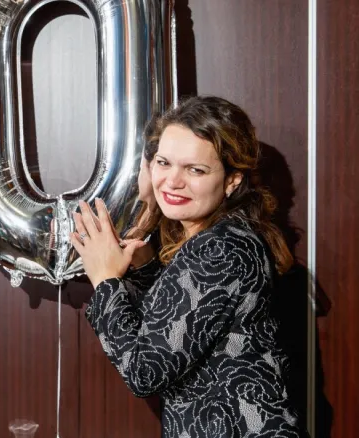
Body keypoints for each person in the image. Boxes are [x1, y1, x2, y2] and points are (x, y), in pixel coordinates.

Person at [71, 96, 307, 437]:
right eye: (163, 163)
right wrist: (146, 266)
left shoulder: (220, 248)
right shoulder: (222, 237)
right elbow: (180, 329)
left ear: (232, 180)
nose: (172, 181)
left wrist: (105, 279)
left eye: (195, 170)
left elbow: (144, 372)